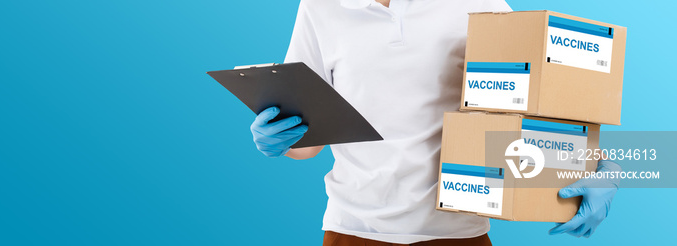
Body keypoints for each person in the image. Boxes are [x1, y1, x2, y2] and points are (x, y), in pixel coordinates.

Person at [248, 0, 621, 245]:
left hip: (459, 233)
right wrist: (284, 138)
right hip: (353, 231)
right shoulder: (321, 8)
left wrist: (596, 164)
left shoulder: (478, 4)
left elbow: (544, 98)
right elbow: (309, 139)